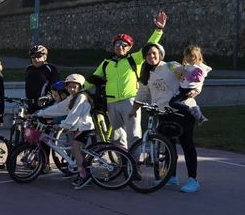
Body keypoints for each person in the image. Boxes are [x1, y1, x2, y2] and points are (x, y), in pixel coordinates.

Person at [88, 11, 166, 148]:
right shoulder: (106, 63)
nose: (120, 47)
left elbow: (150, 45)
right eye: (117, 44)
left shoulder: (133, 59)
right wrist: (77, 88)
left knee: (134, 134)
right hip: (111, 102)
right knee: (117, 137)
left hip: (130, 100)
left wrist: (158, 29)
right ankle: (122, 165)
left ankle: (135, 163)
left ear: (129, 48)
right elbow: (93, 79)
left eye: (124, 45)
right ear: (113, 47)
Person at [137, 42, 200, 193]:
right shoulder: (146, 73)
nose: (152, 56)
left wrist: (196, 91)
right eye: (148, 55)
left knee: (186, 144)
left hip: (181, 111)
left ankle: (193, 180)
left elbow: (190, 78)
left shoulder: (171, 66)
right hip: (163, 113)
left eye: (154, 53)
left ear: (160, 53)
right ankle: (171, 176)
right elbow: (142, 93)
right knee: (168, 147)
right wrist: (134, 109)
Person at [35, 74, 97, 190]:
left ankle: (85, 176)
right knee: (79, 152)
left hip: (84, 128)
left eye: (74, 87)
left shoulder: (81, 98)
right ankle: (82, 173)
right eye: (69, 87)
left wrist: (62, 125)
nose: (71, 89)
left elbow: (74, 115)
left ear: (81, 87)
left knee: (75, 150)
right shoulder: (72, 98)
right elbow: (59, 108)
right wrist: (40, 113)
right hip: (77, 128)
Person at [172, 45, 210, 123]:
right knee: (175, 103)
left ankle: (191, 109)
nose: (188, 58)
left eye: (192, 56)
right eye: (187, 56)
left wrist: (184, 72)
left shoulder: (198, 68)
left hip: (187, 90)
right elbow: (183, 77)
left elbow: (197, 79)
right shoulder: (188, 66)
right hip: (182, 88)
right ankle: (198, 114)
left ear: (198, 57)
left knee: (173, 102)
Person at [24, 45, 60, 112]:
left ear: (45, 57)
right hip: (31, 104)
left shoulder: (51, 69)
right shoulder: (29, 69)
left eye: (38, 56)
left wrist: (47, 98)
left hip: (45, 104)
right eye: (33, 57)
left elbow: (55, 87)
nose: (35, 59)